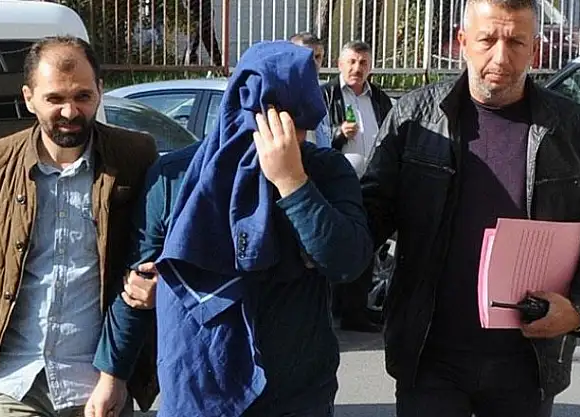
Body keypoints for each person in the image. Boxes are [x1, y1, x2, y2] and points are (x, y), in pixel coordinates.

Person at [361, 0, 580, 415]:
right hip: (429, 357)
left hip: (528, 361)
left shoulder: (574, 129)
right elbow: (367, 217)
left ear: (535, 49)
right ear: (462, 42)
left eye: (516, 42)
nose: (501, 57)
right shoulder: (414, 118)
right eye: (487, 40)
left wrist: (578, 311)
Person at [85, 41, 373, 417]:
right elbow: (137, 287)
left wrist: (292, 183)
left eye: (298, 126)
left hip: (295, 394)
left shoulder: (325, 171)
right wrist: (112, 376)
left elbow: (348, 261)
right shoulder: (179, 178)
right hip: (197, 389)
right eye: (273, 122)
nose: (287, 139)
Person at [0, 36, 160, 417]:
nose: (70, 111)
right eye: (54, 98)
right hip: (17, 381)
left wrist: (159, 286)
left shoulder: (135, 156)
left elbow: (161, 247)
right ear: (28, 98)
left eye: (82, 96)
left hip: (100, 382)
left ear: (100, 91)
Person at [322, 40, 393, 333]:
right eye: (351, 61)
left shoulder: (379, 98)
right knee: (341, 247)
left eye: (363, 62)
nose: (357, 68)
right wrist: (339, 133)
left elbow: (391, 135)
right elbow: (316, 138)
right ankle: (343, 309)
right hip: (337, 188)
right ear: (340, 64)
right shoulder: (327, 95)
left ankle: (355, 309)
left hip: (371, 185)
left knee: (366, 246)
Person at [289, 31, 331, 149]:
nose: (314, 62)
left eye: (317, 57)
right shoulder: (285, 93)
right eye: (307, 56)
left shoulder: (322, 91)